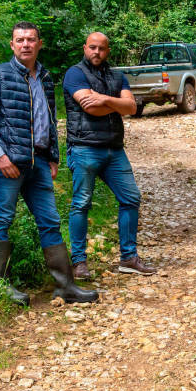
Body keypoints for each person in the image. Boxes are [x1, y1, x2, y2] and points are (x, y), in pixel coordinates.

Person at [0, 22, 98, 306]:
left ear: (39, 44)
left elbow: (49, 120)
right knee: (1, 220)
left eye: (31, 40)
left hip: (39, 163)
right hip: (9, 164)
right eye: (20, 40)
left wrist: (52, 155)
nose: (26, 44)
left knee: (50, 222)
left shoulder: (45, 77)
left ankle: (65, 285)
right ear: (12, 45)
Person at [63, 32, 156, 278]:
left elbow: (132, 107)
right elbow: (89, 108)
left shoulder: (117, 75)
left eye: (101, 49)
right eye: (92, 47)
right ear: (85, 48)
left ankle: (128, 258)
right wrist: (116, 103)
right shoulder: (75, 73)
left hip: (114, 149)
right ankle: (79, 262)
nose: (97, 52)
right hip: (84, 147)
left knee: (131, 198)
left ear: (108, 51)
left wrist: (103, 98)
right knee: (81, 203)